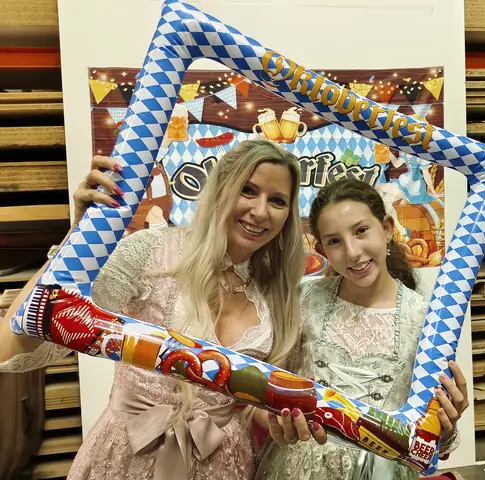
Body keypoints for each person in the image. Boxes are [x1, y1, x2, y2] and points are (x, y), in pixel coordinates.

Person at [0, 139, 308, 480]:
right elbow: (19, 348)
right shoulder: (152, 252)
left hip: (224, 464)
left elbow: (258, 405)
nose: (261, 211)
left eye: (277, 200)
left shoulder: (277, 296)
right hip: (124, 456)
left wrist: (279, 423)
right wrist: (78, 240)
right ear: (221, 188)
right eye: (247, 190)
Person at [253, 178, 469, 480]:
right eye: (334, 241)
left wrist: (444, 428)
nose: (352, 252)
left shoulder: (427, 320)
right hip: (298, 468)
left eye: (361, 230)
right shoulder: (304, 300)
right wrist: (278, 419)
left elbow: (434, 442)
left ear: (387, 228)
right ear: (321, 249)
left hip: (382, 472)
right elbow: (271, 385)